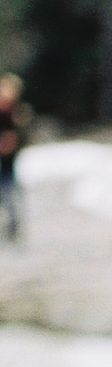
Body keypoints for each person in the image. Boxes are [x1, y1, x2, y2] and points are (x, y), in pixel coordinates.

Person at [0, 73, 31, 241]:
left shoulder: (17, 113)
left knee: (8, 193)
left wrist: (12, 142)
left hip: (8, 163)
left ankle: (13, 227)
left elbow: (20, 137)